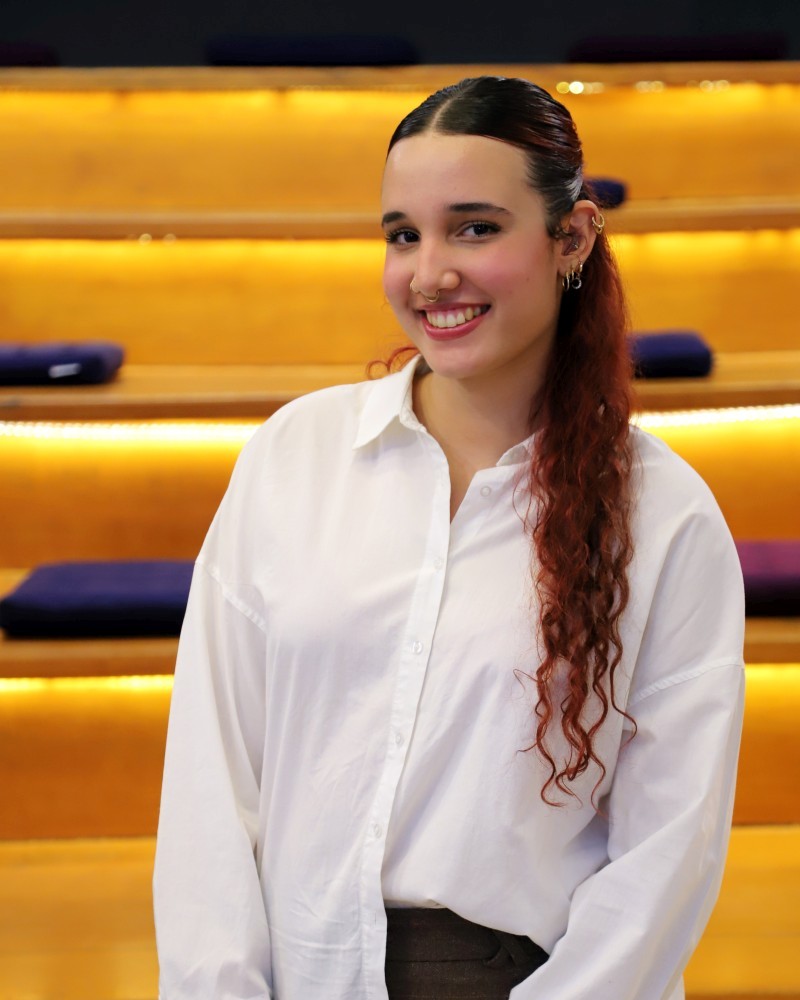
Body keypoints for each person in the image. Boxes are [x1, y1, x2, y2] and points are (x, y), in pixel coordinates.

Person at [153, 76, 745, 1000]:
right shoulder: (293, 456)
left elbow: (667, 856)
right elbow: (211, 777)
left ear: (572, 238)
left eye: (474, 228)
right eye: (403, 234)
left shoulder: (665, 516)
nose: (429, 274)